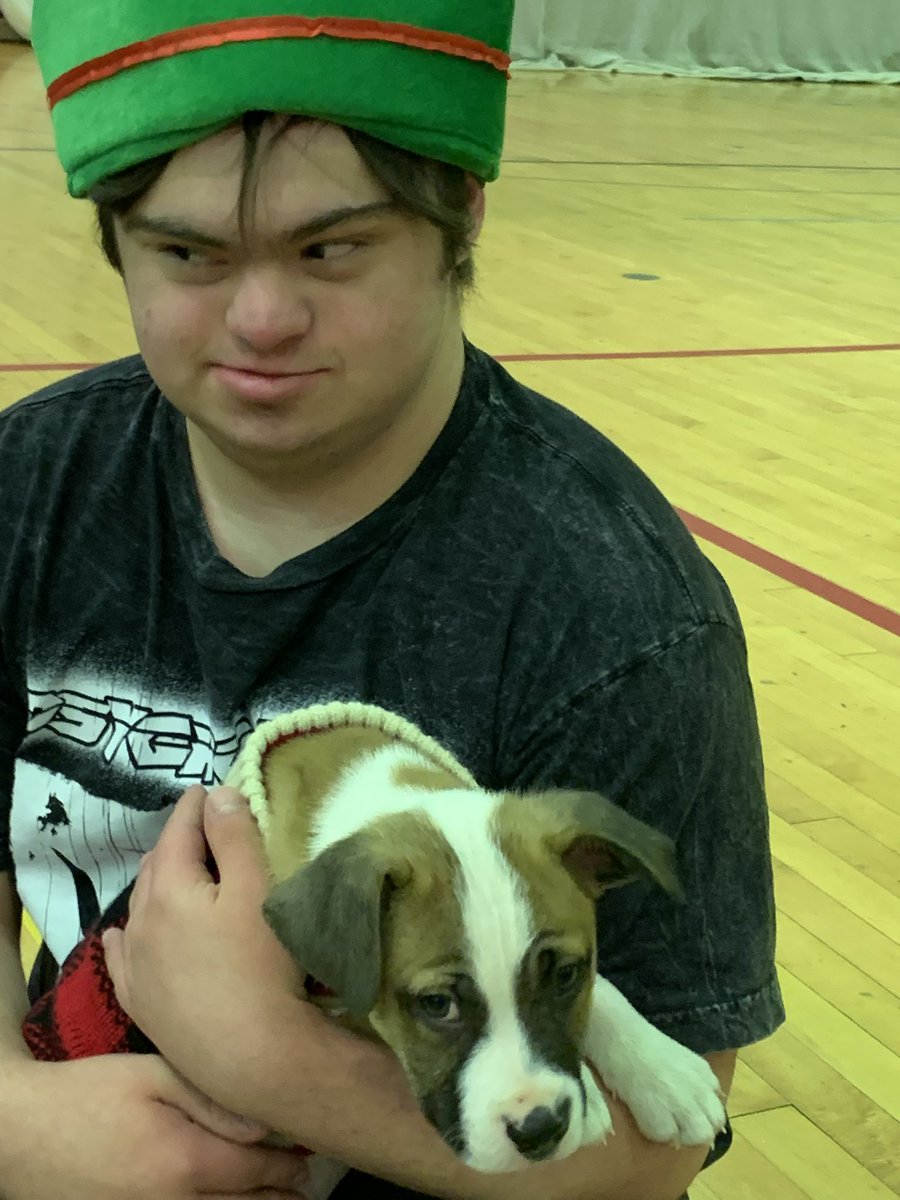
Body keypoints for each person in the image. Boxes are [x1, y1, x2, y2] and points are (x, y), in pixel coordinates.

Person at [0, 3, 784, 1198]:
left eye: (332, 249)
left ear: (459, 213)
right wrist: (17, 1123)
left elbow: (652, 1154)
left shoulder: (618, 617)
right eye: (189, 254)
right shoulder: (27, 488)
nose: (262, 320)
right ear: (115, 242)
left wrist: (271, 1059)